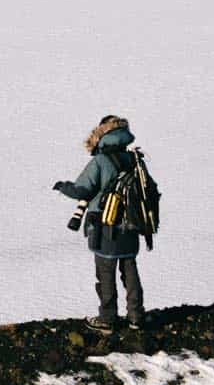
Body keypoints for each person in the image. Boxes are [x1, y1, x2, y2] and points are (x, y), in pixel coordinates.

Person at [52, 114, 154, 330]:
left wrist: (62, 186)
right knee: (130, 270)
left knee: (105, 273)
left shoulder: (100, 161)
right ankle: (137, 316)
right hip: (132, 225)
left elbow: (82, 189)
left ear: (101, 135)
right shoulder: (134, 159)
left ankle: (107, 319)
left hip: (104, 225)